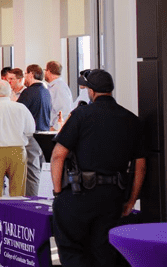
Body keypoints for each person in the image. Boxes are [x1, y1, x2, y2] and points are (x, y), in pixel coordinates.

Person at [51, 69, 146, 267]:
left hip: (78, 196)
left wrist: (58, 193)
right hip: (113, 198)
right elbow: (140, 167)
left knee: (73, 251)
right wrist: (131, 200)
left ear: (91, 91)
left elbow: (58, 155)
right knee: (104, 253)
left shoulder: (81, 115)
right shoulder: (131, 119)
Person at [16, 64, 52, 196]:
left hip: (32, 136)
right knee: (37, 171)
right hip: (45, 135)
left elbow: (17, 113)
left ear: (31, 74)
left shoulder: (29, 92)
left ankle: (31, 202)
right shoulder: (46, 91)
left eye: (25, 74)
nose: (24, 77)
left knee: (31, 172)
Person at [44, 61, 73, 131]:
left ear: (48, 71)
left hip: (55, 131)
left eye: (45, 70)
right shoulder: (54, 87)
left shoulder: (59, 88)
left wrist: (55, 128)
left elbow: (64, 111)